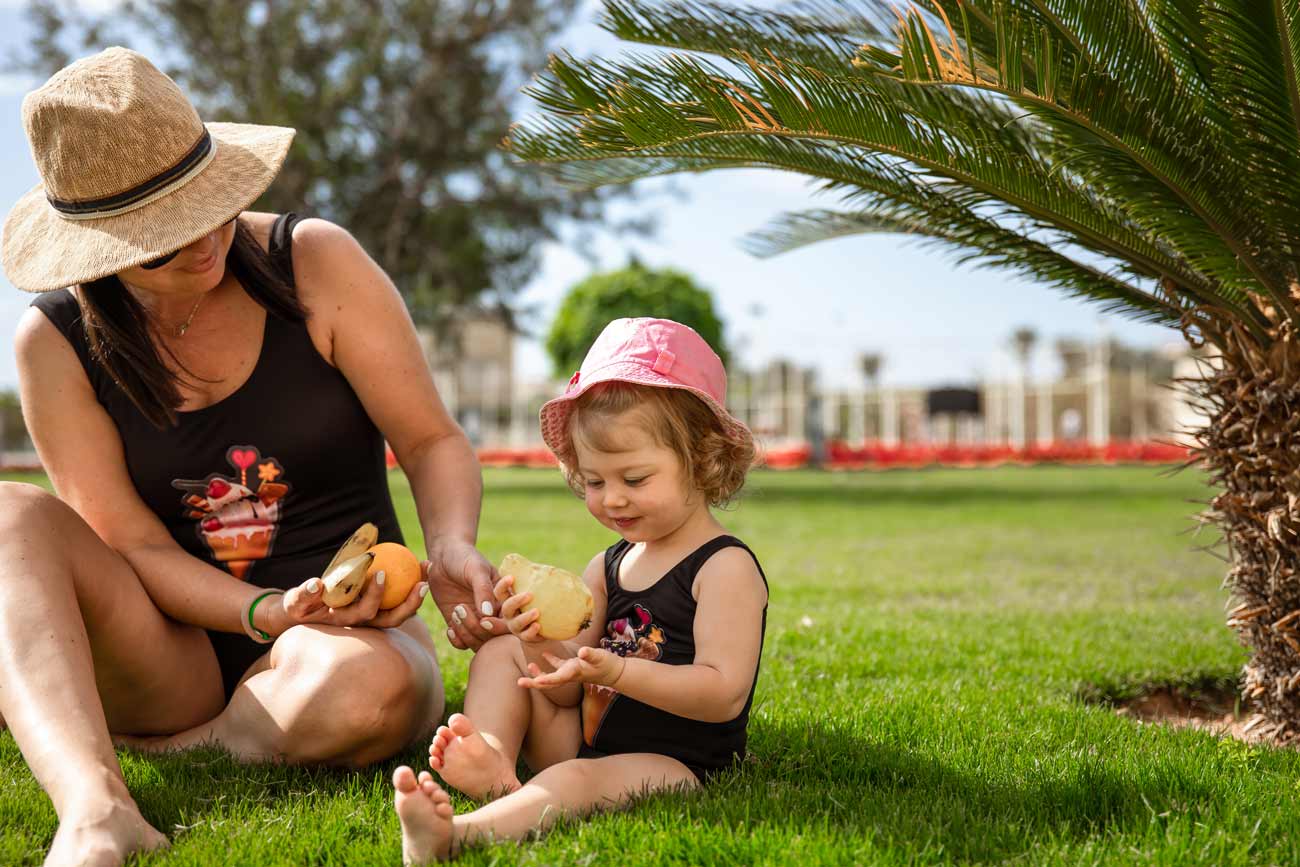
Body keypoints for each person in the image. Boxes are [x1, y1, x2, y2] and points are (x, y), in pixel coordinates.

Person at [0, 48, 500, 867]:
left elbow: (432, 439)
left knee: (370, 688)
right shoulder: (54, 342)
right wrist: (262, 610)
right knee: (5, 513)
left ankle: (148, 739)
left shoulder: (317, 262)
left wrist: (447, 541)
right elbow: (130, 543)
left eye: (215, 208)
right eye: (165, 242)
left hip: (346, 642)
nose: (204, 245)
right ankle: (95, 807)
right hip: (177, 648)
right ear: (99, 248)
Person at [391, 317, 768, 863]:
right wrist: (536, 642)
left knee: (578, 782)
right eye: (594, 482)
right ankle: (495, 754)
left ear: (703, 460)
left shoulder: (722, 566)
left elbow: (721, 694)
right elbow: (567, 686)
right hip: (581, 735)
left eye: (634, 480)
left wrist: (616, 672)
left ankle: (459, 836)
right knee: (502, 650)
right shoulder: (610, 565)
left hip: (674, 761)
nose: (612, 499)